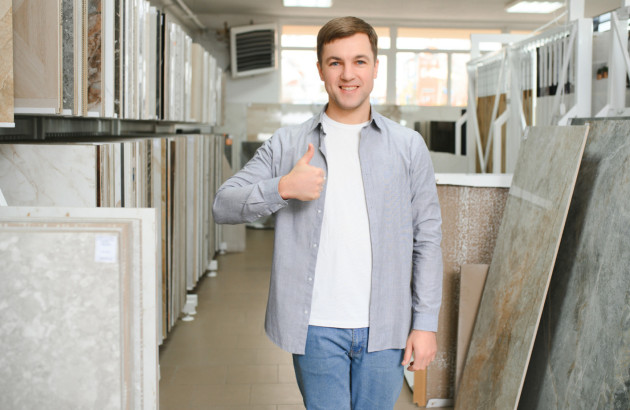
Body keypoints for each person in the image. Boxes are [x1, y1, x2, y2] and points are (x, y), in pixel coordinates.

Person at [213, 16, 443, 410]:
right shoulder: (289, 143)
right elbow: (223, 204)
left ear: (375, 68)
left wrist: (425, 323)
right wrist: (282, 188)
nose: (348, 74)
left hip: (385, 325)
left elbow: (428, 237)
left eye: (359, 61)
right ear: (320, 69)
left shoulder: (408, 146)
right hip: (315, 327)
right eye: (335, 62)